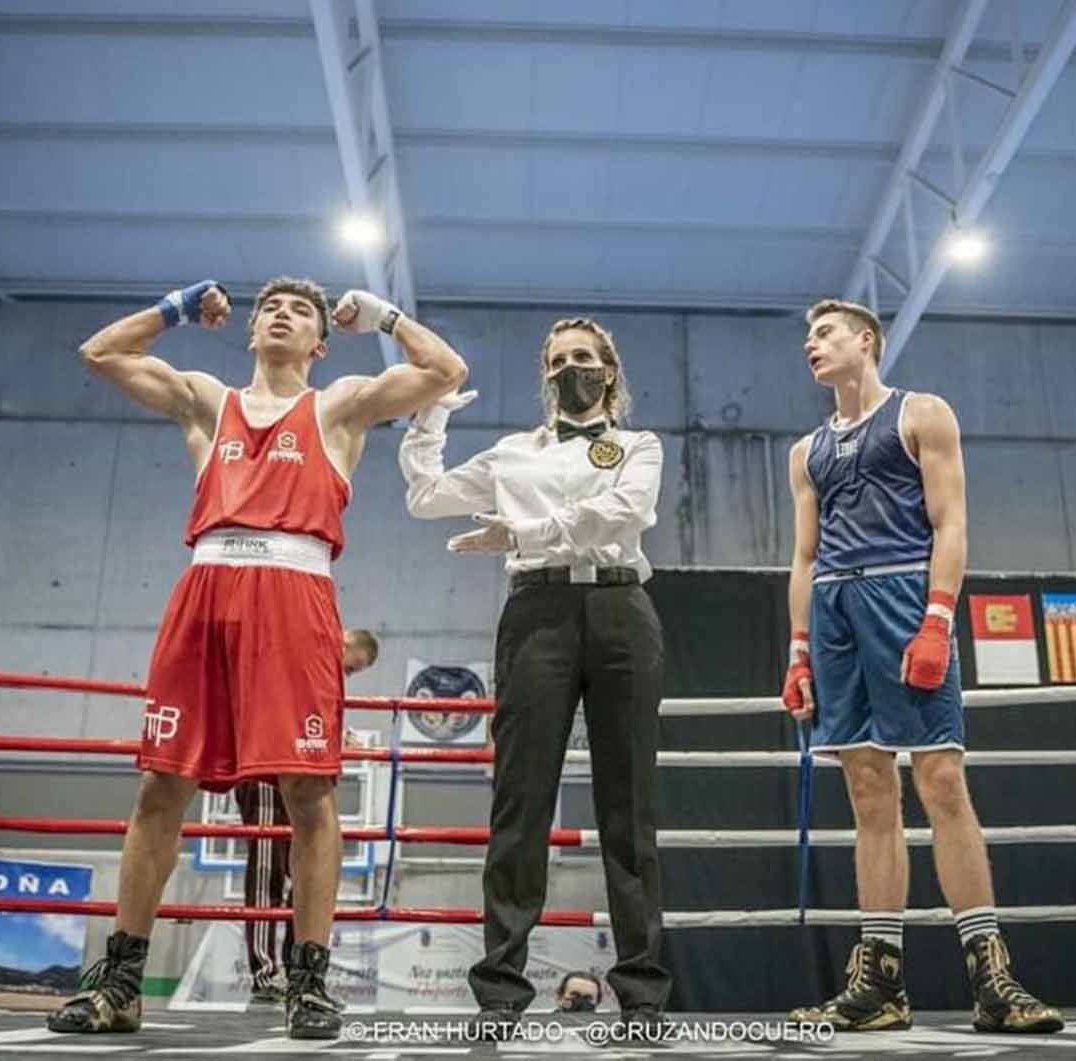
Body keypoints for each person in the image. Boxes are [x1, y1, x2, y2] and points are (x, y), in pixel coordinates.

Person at [46, 278, 466, 1039]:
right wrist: (174, 308)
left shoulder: (336, 405)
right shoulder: (208, 400)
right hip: (205, 590)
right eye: (269, 306)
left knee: (309, 794)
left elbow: (446, 373)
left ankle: (308, 982)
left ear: (319, 342)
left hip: (296, 595)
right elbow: (100, 352)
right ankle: (122, 982)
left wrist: (386, 315)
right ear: (248, 332)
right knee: (159, 787)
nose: (281, 313)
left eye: (299, 310)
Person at [781, 299, 1062, 1034]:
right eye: (807, 337)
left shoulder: (922, 412)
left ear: (865, 340)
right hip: (836, 608)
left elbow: (952, 522)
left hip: (905, 591)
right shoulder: (803, 451)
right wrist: (797, 648)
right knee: (868, 790)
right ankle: (879, 984)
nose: (811, 345)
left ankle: (991, 977)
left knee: (940, 778)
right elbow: (804, 556)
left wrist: (938, 615)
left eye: (825, 333)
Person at [398, 317, 671, 1036]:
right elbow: (425, 497)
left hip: (618, 606)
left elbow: (626, 510)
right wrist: (430, 412)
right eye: (556, 360)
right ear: (543, 374)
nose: (568, 368)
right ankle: (499, 993)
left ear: (609, 371)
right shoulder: (512, 451)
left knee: (629, 803)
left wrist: (519, 531)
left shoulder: (637, 444)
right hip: (536, 611)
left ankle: (641, 994)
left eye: (582, 358)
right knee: (519, 802)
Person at [238, 627, 379, 1005]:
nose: (346, 676)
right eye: (351, 668)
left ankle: (299, 972)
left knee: (299, 873)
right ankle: (265, 974)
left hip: (299, 765)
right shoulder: (296, 646)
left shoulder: (318, 672)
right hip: (268, 764)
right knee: (267, 871)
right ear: (344, 642)